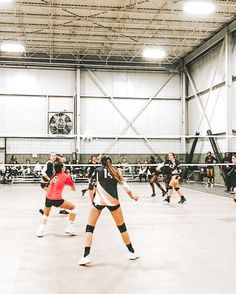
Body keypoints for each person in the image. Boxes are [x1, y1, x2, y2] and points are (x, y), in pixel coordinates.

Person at [78, 155, 139, 266]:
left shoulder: (97, 170)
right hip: (113, 201)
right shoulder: (115, 170)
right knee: (122, 227)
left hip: (99, 201)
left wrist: (92, 201)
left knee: (90, 228)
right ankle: (132, 252)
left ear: (101, 162)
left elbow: (91, 187)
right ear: (110, 162)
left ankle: (86, 256)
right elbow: (125, 186)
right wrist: (132, 196)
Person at [36, 162, 78, 237]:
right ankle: (70, 228)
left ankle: (40, 231)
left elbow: (51, 185)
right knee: (74, 208)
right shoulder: (66, 176)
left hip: (48, 197)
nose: (65, 168)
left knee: (45, 214)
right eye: (64, 167)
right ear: (62, 169)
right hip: (56, 199)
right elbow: (73, 189)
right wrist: (72, 183)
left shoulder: (54, 175)